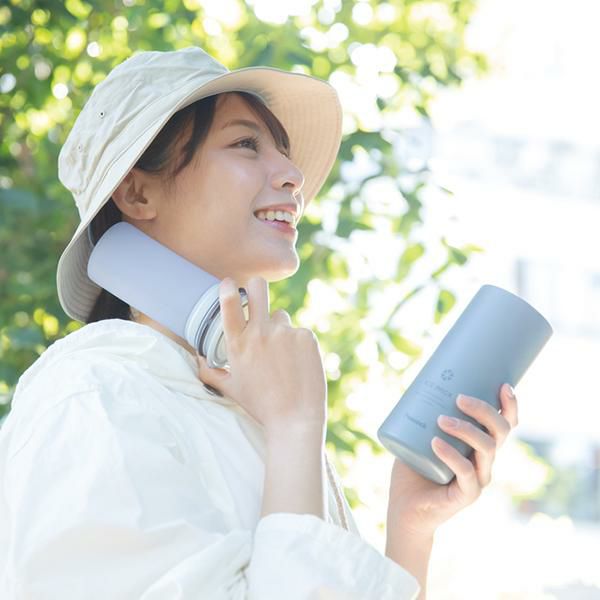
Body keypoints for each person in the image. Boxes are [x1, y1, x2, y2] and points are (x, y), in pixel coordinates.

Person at [0, 46, 519, 599]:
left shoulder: (244, 402)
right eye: (246, 144)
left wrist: (410, 528)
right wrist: (295, 425)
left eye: (284, 153)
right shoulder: (92, 396)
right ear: (137, 191)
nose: (294, 176)